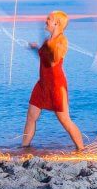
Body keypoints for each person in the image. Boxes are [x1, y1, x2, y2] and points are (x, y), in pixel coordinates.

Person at [22, 11, 84, 153]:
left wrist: (49, 47)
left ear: (56, 23)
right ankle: (23, 149)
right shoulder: (48, 40)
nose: (46, 21)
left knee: (65, 121)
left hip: (56, 86)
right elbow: (44, 58)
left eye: (48, 19)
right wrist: (36, 48)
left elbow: (53, 60)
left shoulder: (61, 41)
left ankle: (81, 150)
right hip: (42, 84)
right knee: (31, 116)